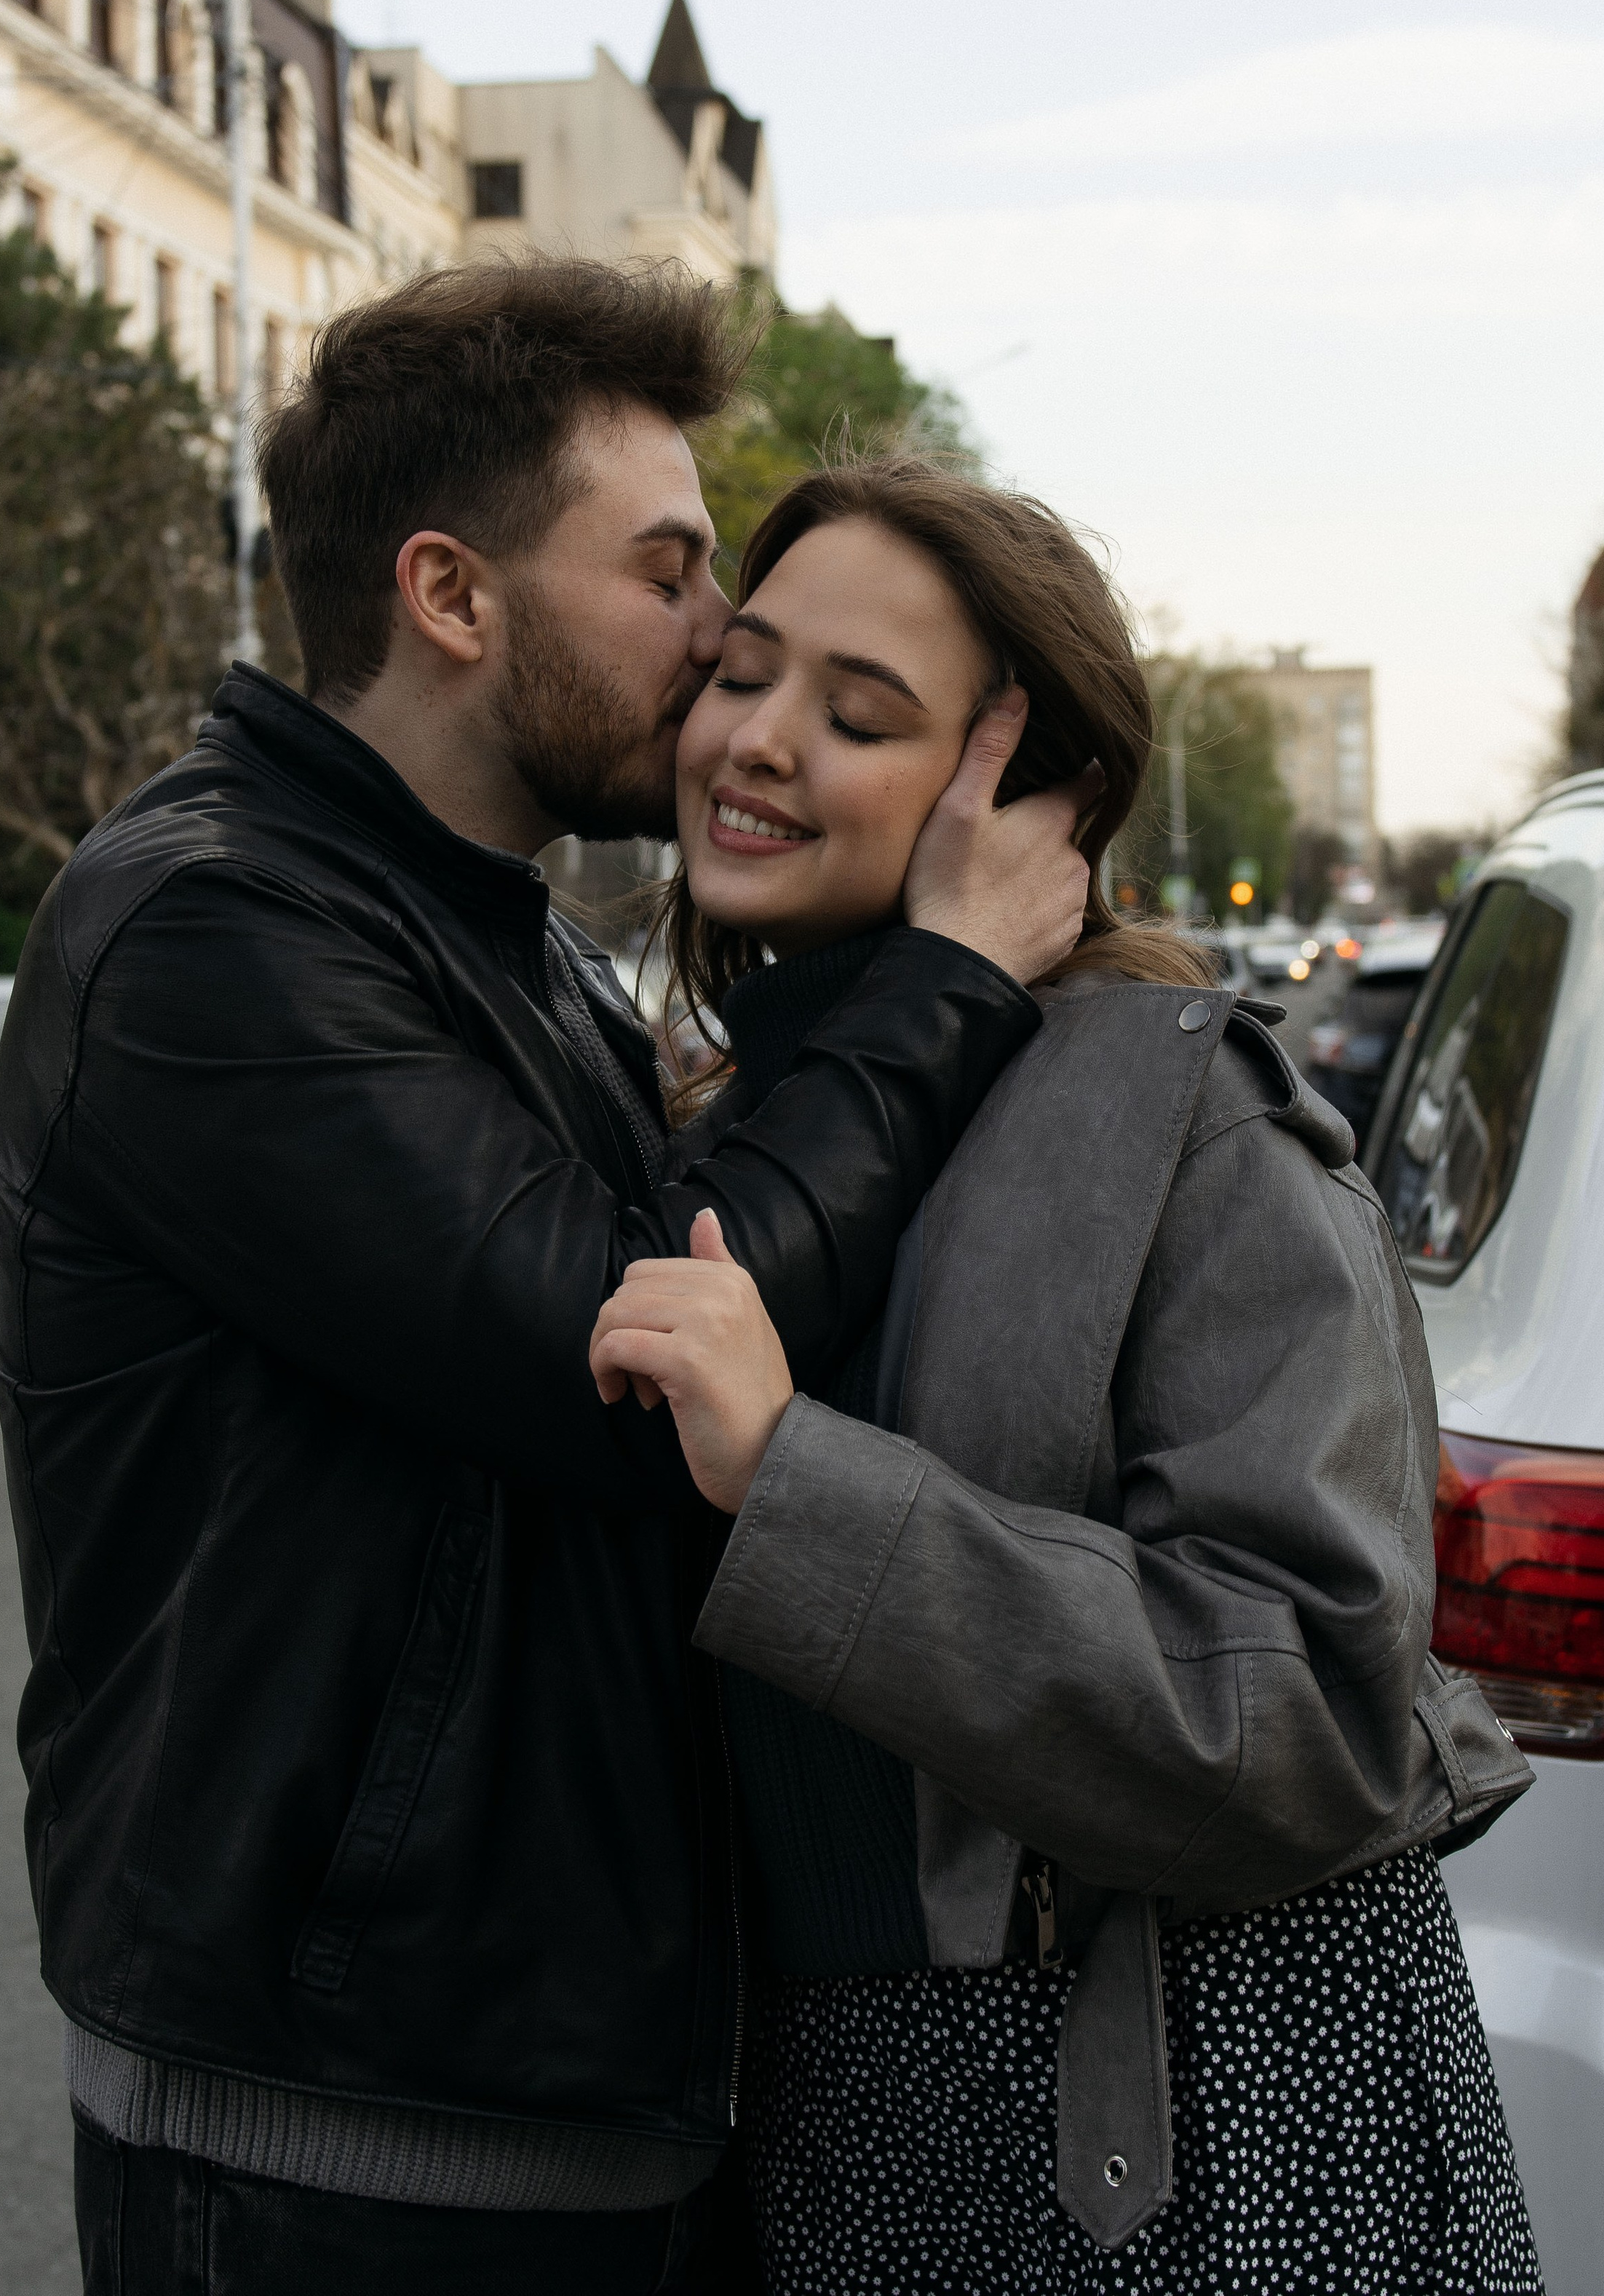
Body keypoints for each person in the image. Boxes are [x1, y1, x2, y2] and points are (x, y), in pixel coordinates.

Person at [0, 262, 1096, 2296]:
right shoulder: (209, 930)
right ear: (453, 596)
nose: (718, 642)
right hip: (338, 2155)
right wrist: (946, 987)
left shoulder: (520, 954)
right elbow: (638, 1355)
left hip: (570, 2117)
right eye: (672, 576)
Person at [591, 451, 1541, 2296]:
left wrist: (796, 1483)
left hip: (1198, 2125)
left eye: (858, 714)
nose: (759, 742)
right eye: (742, 672)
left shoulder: (1182, 1109)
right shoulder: (719, 1125)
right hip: (841, 2133)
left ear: (1025, 788)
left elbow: (1314, 1718)